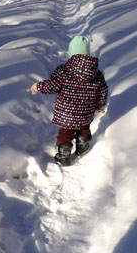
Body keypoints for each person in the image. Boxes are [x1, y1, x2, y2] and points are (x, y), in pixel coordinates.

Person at [27, 35, 108, 166]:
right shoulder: (97, 74)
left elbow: (52, 85)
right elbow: (102, 91)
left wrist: (38, 86)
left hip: (67, 111)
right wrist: (100, 106)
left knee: (65, 132)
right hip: (86, 110)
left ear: (71, 53)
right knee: (84, 127)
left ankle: (64, 155)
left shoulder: (63, 70)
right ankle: (82, 144)